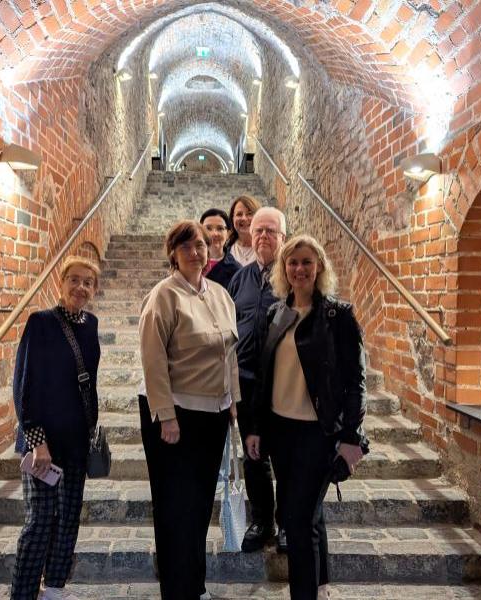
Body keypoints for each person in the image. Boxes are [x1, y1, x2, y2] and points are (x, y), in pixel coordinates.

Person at [246, 235, 369, 600]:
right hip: (280, 432)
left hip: (318, 434)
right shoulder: (275, 314)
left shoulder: (338, 316)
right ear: (284, 269)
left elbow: (356, 381)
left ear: (319, 268)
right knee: (307, 515)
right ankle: (320, 586)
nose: (299, 269)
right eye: (292, 262)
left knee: (297, 521)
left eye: (306, 262)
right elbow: (262, 377)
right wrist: (255, 428)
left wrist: (351, 436)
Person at [138, 220, 241, 600]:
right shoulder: (163, 296)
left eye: (200, 245)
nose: (196, 252)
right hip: (175, 414)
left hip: (213, 414)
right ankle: (176, 591)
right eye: (186, 247)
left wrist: (234, 402)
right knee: (174, 508)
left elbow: (230, 353)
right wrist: (166, 416)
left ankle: (194, 587)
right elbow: (152, 360)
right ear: (173, 254)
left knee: (199, 506)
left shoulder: (220, 295)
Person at [11, 256, 102, 600]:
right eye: (74, 279)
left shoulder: (91, 325)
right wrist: (37, 441)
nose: (80, 287)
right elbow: (24, 386)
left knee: (67, 521)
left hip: (76, 441)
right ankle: (23, 594)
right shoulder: (41, 323)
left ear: (94, 289)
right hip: (43, 443)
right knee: (39, 521)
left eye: (88, 282)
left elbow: (88, 384)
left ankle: (53, 590)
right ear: (61, 283)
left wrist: (91, 429)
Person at [226, 206, 286, 553]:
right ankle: (263, 521)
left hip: (283, 385)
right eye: (258, 230)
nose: (263, 236)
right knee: (254, 456)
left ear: (283, 237)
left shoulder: (292, 274)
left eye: (270, 231)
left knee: (285, 458)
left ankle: (287, 522)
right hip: (247, 383)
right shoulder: (240, 279)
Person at [200, 207, 241, 288]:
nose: (214, 234)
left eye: (220, 228)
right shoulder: (189, 262)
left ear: (228, 234)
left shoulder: (237, 271)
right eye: (208, 228)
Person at [225, 195, 261, 266]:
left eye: (249, 214)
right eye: (239, 214)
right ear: (232, 219)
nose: (244, 218)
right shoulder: (225, 251)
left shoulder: (269, 250)